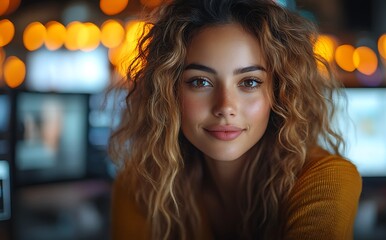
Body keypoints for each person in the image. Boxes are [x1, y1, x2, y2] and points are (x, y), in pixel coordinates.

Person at [109, 0, 362, 239]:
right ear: (167, 92)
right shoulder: (140, 185)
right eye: (200, 82)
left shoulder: (328, 179)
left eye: (249, 82)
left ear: (280, 92)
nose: (225, 107)